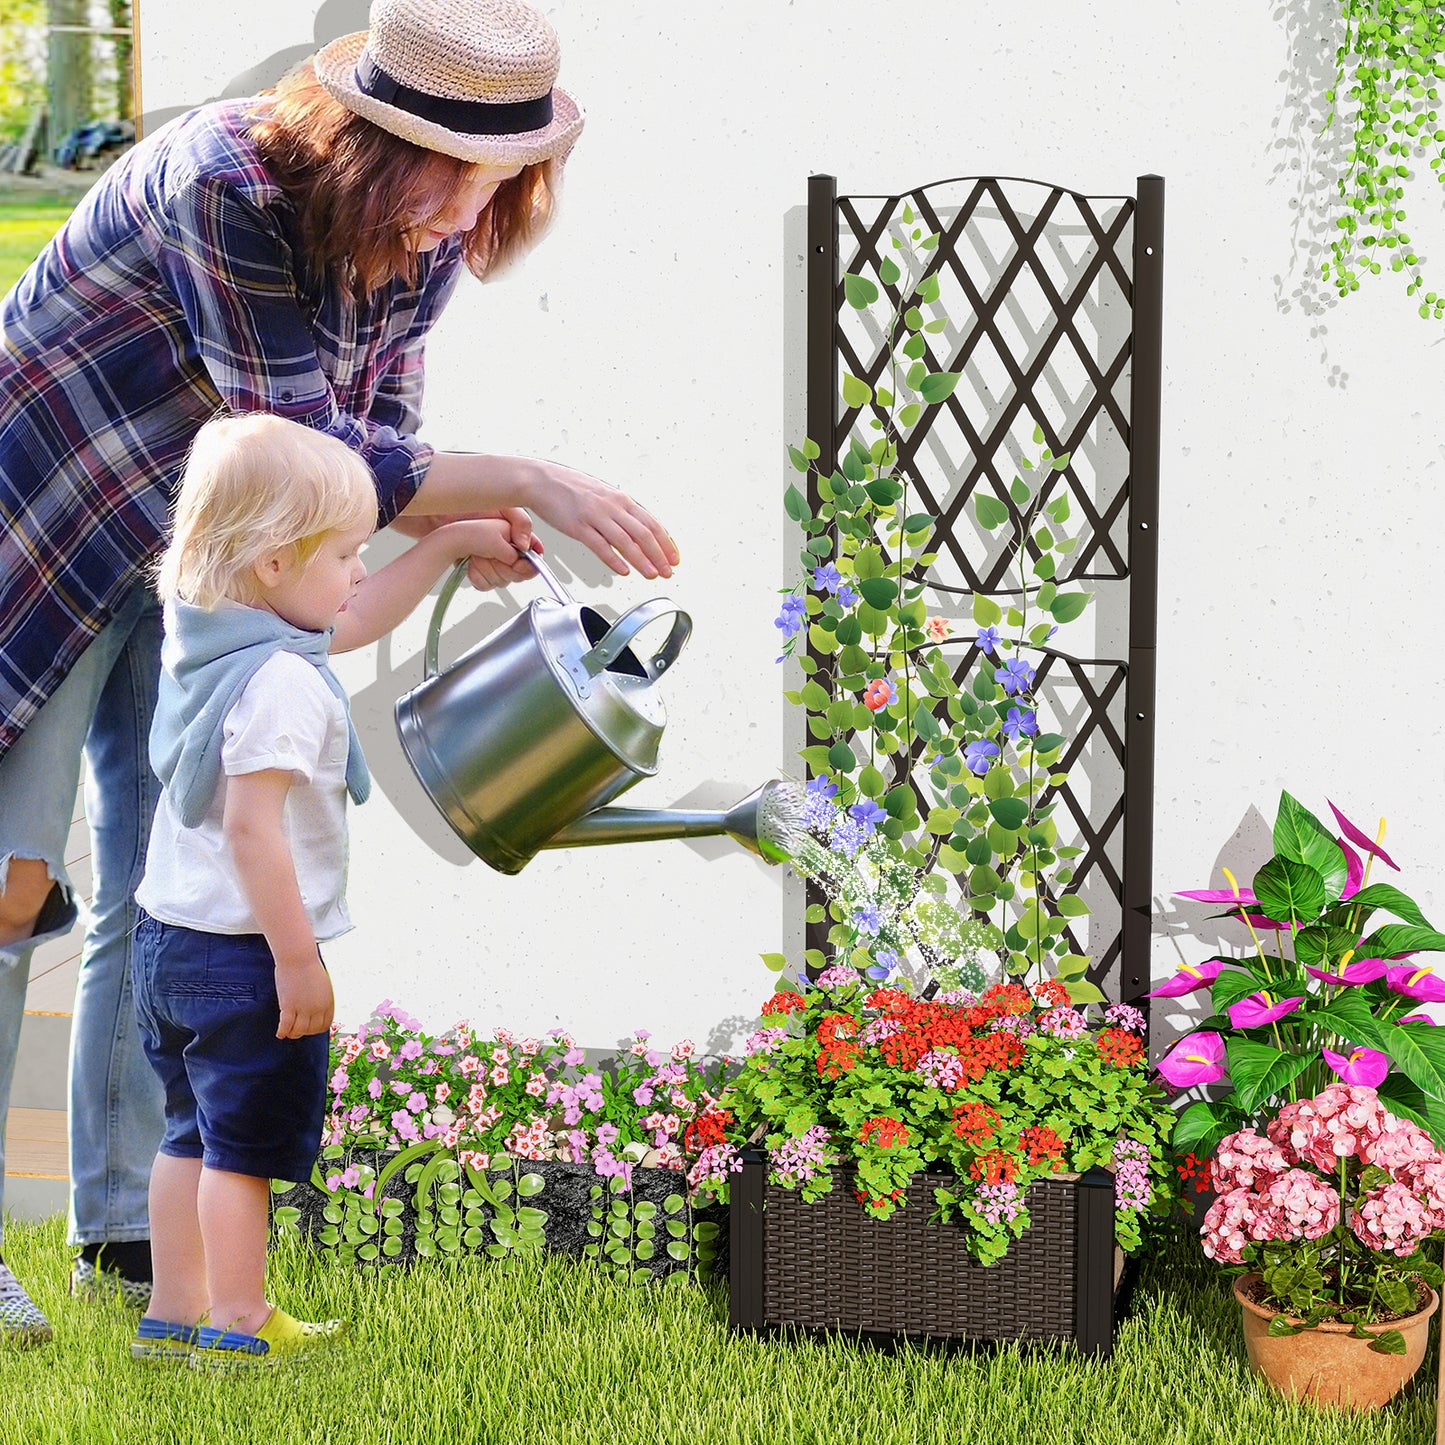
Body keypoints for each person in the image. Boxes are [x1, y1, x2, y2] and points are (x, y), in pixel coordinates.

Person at [0, 0, 677, 1346]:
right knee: (13, 881)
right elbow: (306, 439)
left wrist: (450, 533)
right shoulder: (226, 185)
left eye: (499, 179)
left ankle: (132, 1233)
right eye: (453, 173)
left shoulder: (424, 234)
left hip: (212, 555)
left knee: (172, 866)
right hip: (56, 511)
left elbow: (368, 459)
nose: (466, 214)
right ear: (372, 142)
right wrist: (525, 478)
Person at [132, 412, 511, 1365]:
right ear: (272, 562)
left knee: (187, 1133)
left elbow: (349, 616)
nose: (357, 569)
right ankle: (240, 1319)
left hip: (165, 939)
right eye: (343, 554)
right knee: (241, 1151)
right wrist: (297, 961)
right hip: (243, 953)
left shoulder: (207, 630)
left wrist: (451, 543)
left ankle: (172, 1314)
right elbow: (254, 831)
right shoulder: (281, 684)